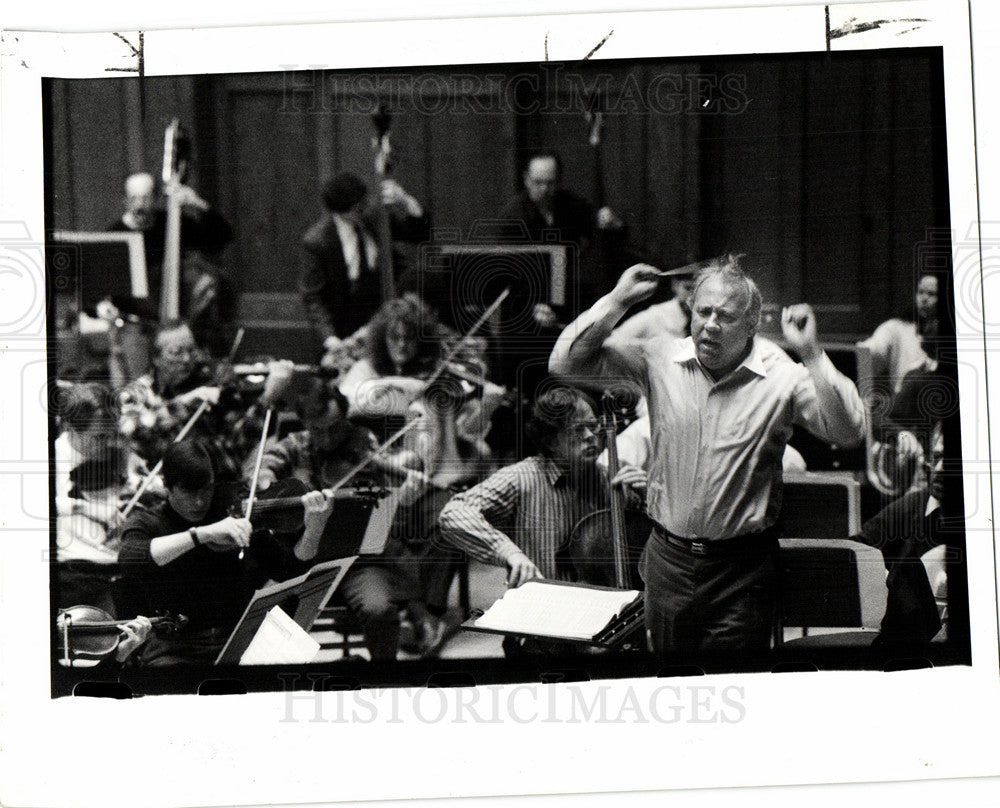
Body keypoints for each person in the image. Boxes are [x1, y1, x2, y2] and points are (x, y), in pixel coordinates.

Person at [549, 259, 866, 655]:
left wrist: (813, 354)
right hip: (668, 561)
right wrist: (616, 300)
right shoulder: (660, 358)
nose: (711, 324)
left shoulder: (781, 375)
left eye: (726, 316)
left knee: (730, 688)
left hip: (741, 569)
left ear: (752, 325)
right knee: (668, 684)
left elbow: (850, 431)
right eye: (704, 312)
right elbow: (564, 363)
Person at [248, 375, 443, 660]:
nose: (327, 439)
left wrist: (406, 484)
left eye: (335, 429)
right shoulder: (295, 446)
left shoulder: (362, 441)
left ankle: (383, 679)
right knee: (264, 613)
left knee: (380, 610)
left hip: (357, 564)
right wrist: (270, 486)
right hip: (301, 563)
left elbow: (387, 468)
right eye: (318, 430)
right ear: (305, 424)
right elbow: (262, 468)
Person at [116, 439, 331, 665]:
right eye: (187, 491)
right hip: (175, 649)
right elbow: (130, 558)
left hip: (238, 638)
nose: (199, 501)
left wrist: (314, 529)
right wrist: (202, 534)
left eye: (206, 489)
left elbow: (288, 568)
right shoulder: (148, 522)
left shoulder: (233, 515)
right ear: (166, 485)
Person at [438, 386, 646, 588]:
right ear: (551, 441)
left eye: (593, 426)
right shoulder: (521, 478)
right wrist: (508, 552)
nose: (591, 436)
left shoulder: (611, 479)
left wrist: (649, 496)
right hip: (542, 603)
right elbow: (454, 513)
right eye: (577, 430)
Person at [299, 172, 430, 352]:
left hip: (384, 317)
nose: (365, 209)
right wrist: (329, 338)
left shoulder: (375, 219)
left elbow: (420, 235)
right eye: (358, 209)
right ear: (341, 212)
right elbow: (313, 297)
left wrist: (406, 201)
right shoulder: (316, 241)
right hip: (345, 326)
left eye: (365, 202)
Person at [109, 171, 236, 355]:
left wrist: (198, 203)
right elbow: (100, 287)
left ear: (156, 198)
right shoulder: (115, 235)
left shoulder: (172, 223)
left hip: (181, 328)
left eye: (145, 198)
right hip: (136, 328)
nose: (139, 206)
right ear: (125, 201)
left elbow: (222, 237)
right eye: (133, 199)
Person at [859, 272, 939, 395]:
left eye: (931, 294)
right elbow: (869, 352)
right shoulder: (896, 328)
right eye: (920, 292)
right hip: (905, 405)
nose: (924, 298)